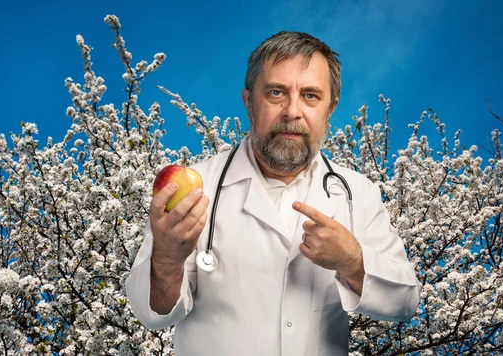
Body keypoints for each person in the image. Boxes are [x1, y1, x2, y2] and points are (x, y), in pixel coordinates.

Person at [126, 31, 420, 356]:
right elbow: (150, 314)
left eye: (310, 96)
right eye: (276, 92)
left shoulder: (356, 193)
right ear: (249, 101)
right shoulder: (195, 187)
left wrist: (352, 260)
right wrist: (167, 258)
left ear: (330, 109)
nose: (292, 111)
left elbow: (406, 301)